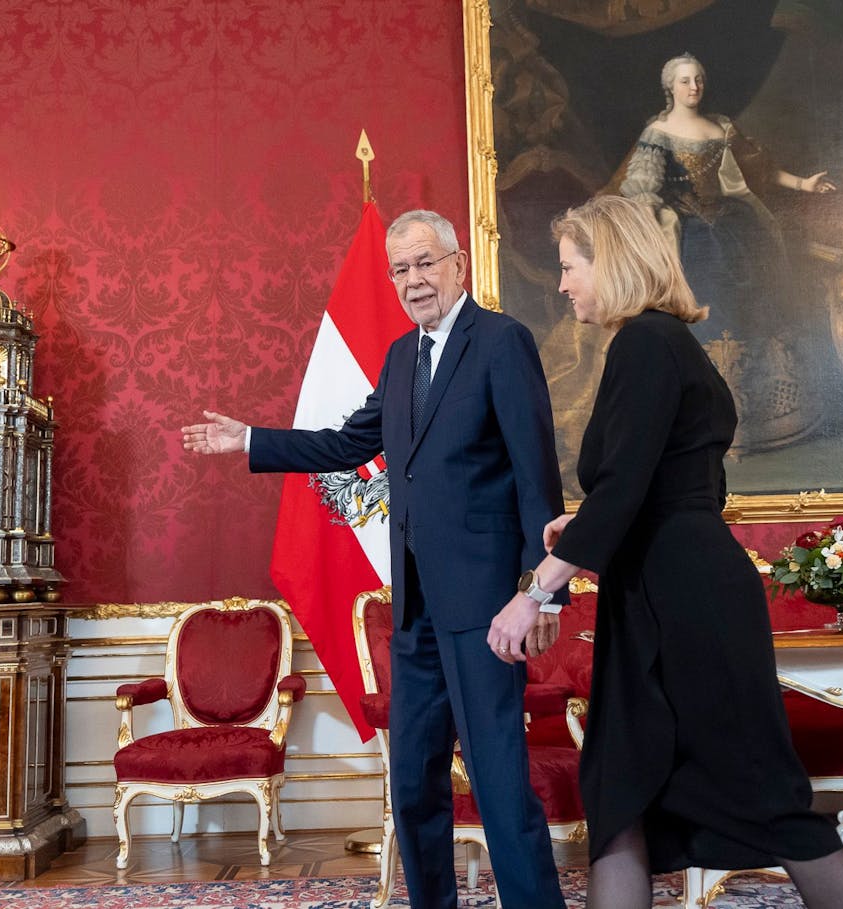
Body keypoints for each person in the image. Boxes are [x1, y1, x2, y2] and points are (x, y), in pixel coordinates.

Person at [487, 195, 843, 909]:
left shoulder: (647, 343)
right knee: (619, 794)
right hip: (659, 590)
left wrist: (534, 590)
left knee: (763, 794)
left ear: (615, 262)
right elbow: (668, 481)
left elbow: (632, 486)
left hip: (684, 601)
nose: (564, 283)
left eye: (571, 267)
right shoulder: (659, 344)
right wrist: (582, 522)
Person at [181, 210, 568, 909]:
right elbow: (343, 445)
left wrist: (541, 594)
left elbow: (536, 473)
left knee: (499, 786)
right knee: (415, 784)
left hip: (487, 612)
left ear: (459, 265)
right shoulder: (399, 357)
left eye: (425, 263)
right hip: (416, 611)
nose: (413, 280)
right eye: (400, 269)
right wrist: (253, 441)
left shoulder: (502, 343)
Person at [619, 51, 834, 456]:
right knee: (703, 311)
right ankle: (704, 422)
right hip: (686, 234)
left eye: (698, 78)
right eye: (685, 80)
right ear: (670, 87)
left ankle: (761, 419)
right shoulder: (659, 131)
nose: (694, 86)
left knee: (754, 307)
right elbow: (641, 187)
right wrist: (650, 219)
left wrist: (804, 184)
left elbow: (760, 171)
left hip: (735, 228)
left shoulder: (721, 126)